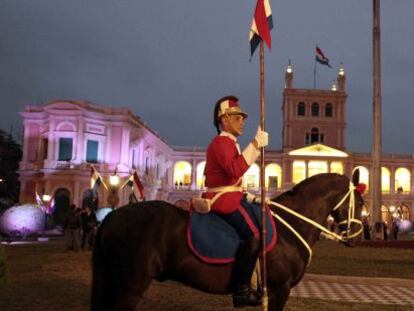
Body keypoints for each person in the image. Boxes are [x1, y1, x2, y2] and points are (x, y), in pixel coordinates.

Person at [202, 95, 268, 308]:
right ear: (224, 120)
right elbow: (234, 169)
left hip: (232, 194)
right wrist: (256, 145)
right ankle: (241, 291)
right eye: (237, 117)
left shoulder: (231, 144)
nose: (242, 121)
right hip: (222, 200)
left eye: (242, 117)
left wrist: (249, 196)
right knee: (254, 237)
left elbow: (234, 180)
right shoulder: (221, 143)